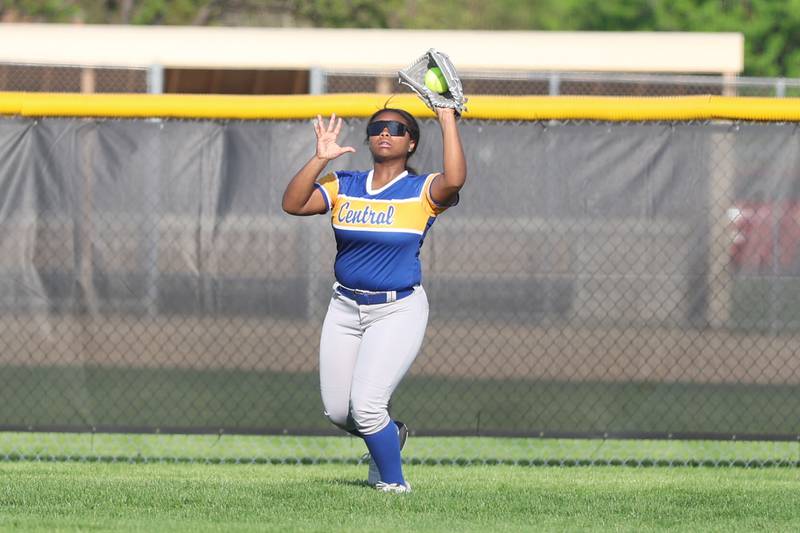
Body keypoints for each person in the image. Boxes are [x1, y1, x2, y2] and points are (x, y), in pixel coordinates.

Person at [282, 105, 466, 493]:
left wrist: (447, 116)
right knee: (339, 412)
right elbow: (293, 204)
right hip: (345, 306)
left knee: (366, 407)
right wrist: (319, 159)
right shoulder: (344, 183)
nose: (385, 132)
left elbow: (455, 179)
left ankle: (395, 486)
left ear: (411, 143)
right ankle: (390, 433)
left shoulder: (422, 190)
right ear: (368, 138)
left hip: (397, 309)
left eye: (397, 128)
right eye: (378, 127)